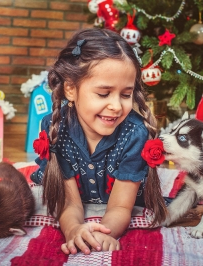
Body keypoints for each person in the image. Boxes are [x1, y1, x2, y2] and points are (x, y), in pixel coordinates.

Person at [31, 27, 167, 255]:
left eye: (126, 95)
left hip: (120, 202)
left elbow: (121, 206)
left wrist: (105, 232)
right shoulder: (56, 128)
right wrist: (74, 228)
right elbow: (70, 202)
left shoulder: (135, 133)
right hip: (70, 196)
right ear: (71, 89)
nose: (116, 106)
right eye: (104, 94)